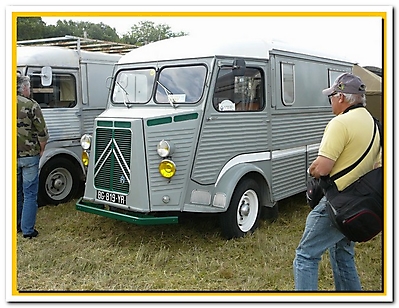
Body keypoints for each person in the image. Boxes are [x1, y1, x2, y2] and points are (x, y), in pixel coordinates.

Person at [293, 73, 381, 291]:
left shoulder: (339, 123)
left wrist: (311, 169)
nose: (330, 101)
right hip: (358, 203)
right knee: (342, 254)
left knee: (305, 256)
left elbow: (322, 168)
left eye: (331, 96)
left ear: (341, 97)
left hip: (336, 204)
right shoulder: (373, 122)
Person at [17, 74, 49, 239]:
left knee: (15, 191)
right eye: (28, 87)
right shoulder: (31, 105)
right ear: (23, 88)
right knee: (29, 193)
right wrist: (41, 149)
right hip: (29, 155)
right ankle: (28, 230)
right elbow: (42, 132)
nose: (29, 90)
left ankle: (16, 225)